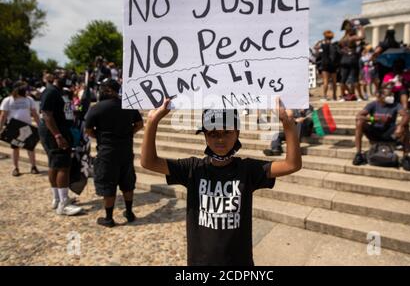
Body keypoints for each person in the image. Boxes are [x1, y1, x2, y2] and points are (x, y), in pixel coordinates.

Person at [140, 98, 302, 266]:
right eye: (213, 134)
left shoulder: (248, 169)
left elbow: (292, 165)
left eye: (226, 132)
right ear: (205, 135)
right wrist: (152, 121)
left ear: (237, 132)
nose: (220, 140)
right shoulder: (192, 168)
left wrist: (288, 124)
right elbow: (148, 162)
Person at [84, 79, 143, 227]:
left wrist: (99, 136)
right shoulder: (129, 106)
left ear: (106, 90)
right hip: (126, 150)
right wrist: (129, 133)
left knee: (108, 184)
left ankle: (109, 218)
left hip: (107, 152)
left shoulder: (96, 108)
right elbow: (140, 124)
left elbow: (88, 130)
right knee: (127, 182)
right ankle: (129, 213)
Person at [38, 72, 83, 216]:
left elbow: (67, 111)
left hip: (59, 130)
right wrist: (58, 135)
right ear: (56, 78)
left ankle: (58, 198)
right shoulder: (50, 92)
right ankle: (63, 204)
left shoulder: (60, 93)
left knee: (55, 164)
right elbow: (47, 115)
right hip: (55, 132)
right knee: (63, 165)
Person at [352, 87, 410, 171]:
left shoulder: (396, 105)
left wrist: (400, 126)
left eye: (391, 94)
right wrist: (376, 119)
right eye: (388, 95)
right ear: (380, 96)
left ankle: (406, 157)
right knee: (359, 122)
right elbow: (358, 116)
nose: (391, 97)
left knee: (406, 126)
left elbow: (406, 115)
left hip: (390, 133)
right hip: (375, 132)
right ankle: (358, 154)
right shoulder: (373, 104)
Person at [0, 82, 40, 176]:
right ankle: (15, 168)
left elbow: (34, 113)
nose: (25, 91)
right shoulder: (8, 100)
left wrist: (40, 126)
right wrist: (1, 127)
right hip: (13, 127)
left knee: (30, 148)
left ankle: (33, 166)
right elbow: (3, 115)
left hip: (27, 127)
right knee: (15, 148)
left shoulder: (29, 99)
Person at [339, 20, 365, 101]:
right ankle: (360, 96)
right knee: (355, 78)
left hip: (344, 59)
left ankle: (343, 96)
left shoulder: (342, 39)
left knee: (343, 79)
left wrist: (344, 50)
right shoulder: (352, 37)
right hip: (352, 58)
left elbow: (340, 47)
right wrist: (361, 29)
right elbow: (362, 37)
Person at [315, 30, 339, 101]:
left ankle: (325, 96)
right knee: (334, 81)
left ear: (325, 36)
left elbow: (315, 48)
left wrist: (319, 42)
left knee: (326, 81)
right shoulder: (334, 45)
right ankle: (334, 96)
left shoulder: (323, 45)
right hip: (333, 65)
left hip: (325, 64)